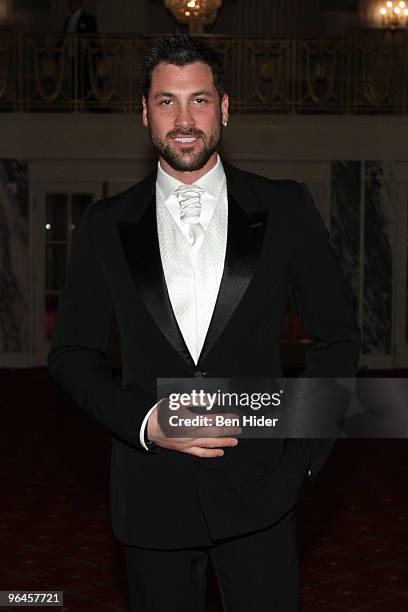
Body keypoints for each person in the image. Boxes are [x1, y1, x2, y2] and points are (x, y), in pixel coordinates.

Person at [47, 33, 361, 612]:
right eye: (167, 101)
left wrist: (303, 457)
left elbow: (338, 338)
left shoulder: (285, 207)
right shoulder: (104, 225)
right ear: (144, 112)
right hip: (151, 495)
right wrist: (144, 422)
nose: (184, 118)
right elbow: (72, 355)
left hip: (263, 491)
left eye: (199, 100)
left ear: (225, 107)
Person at [62, 0, 98, 108]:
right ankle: (75, 105)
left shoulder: (88, 18)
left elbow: (94, 38)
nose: (70, 4)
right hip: (72, 55)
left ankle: (88, 106)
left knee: (86, 82)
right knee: (74, 80)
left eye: (73, 2)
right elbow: (62, 39)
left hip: (85, 56)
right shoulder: (68, 20)